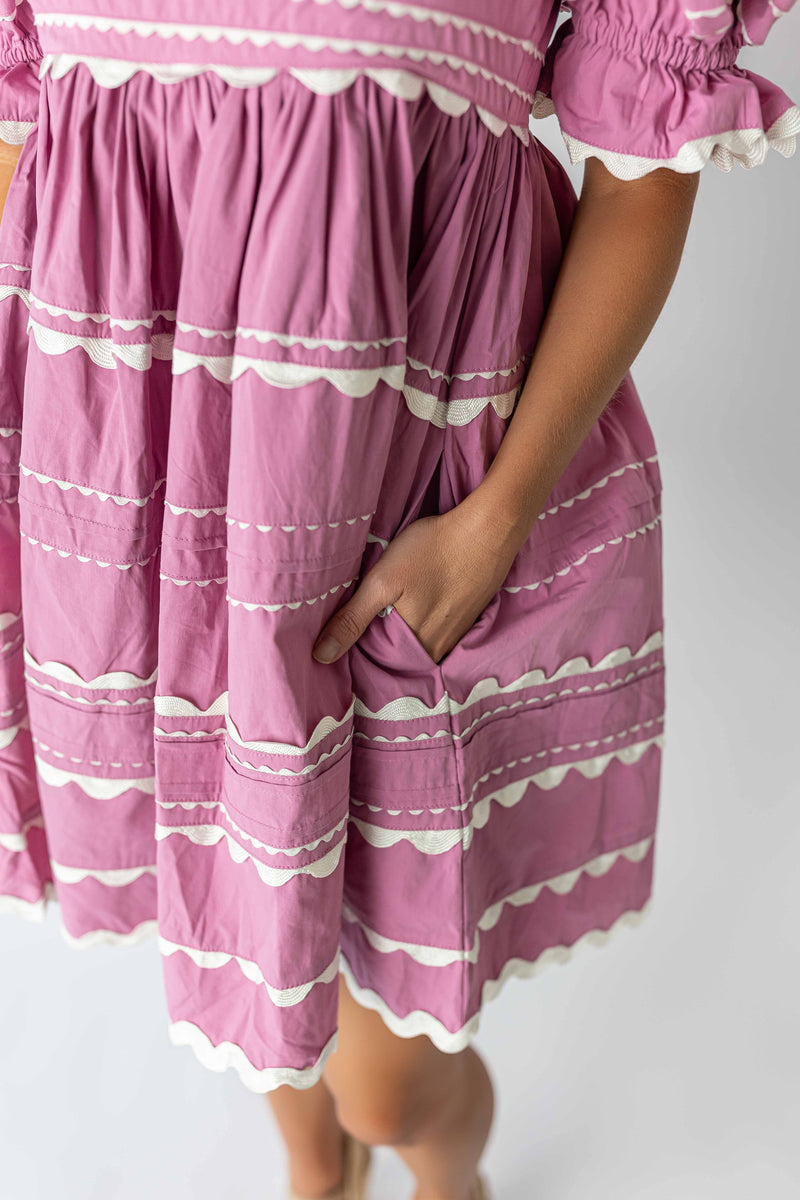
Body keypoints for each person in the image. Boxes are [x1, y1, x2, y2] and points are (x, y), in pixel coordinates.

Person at [0, 3, 797, 1199]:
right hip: (144, 523)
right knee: (249, 946)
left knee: (389, 1080)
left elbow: (638, 176)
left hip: (412, 524)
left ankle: (442, 1181)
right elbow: (30, 137)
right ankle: (314, 1167)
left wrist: (495, 522)